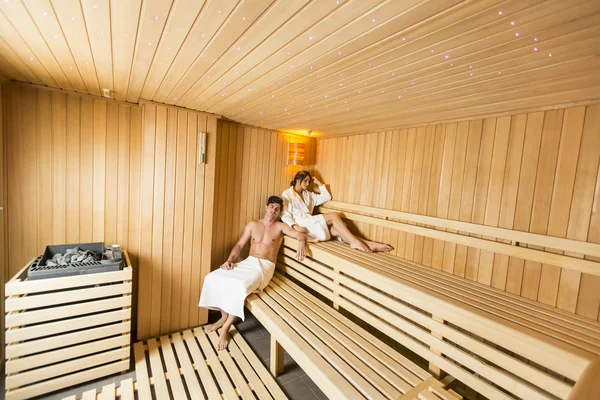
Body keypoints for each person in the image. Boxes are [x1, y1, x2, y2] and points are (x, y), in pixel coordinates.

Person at [199, 196, 306, 350]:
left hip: (264, 267)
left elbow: (300, 234)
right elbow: (239, 244)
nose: (274, 211)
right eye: (272, 207)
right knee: (213, 277)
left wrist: (302, 241)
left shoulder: (281, 227)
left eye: (277, 209)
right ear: (266, 207)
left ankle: (226, 328)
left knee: (241, 286)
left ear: (279, 212)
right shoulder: (253, 224)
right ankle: (223, 317)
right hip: (248, 262)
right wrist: (229, 260)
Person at [281, 170, 393, 253]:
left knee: (338, 230)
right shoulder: (287, 194)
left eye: (309, 181)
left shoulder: (308, 195)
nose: (307, 183)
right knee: (334, 215)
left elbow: (326, 197)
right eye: (305, 180)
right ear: (297, 179)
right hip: (303, 225)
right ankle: (354, 242)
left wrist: (319, 183)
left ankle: (369, 244)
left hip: (311, 224)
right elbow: (285, 215)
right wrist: (295, 226)